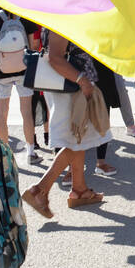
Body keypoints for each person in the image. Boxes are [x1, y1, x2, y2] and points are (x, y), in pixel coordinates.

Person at [21, 31, 113, 216]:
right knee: (75, 140)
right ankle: (39, 189)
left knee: (79, 138)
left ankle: (79, 190)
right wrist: (83, 81)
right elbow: (55, 58)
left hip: (71, 85)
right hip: (71, 87)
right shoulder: (60, 15)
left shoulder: (63, 12)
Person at [0, 0, 42, 163]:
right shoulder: (25, 16)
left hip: (1, 71)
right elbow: (33, 46)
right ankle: (31, 152)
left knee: (2, 114)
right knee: (26, 112)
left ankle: (6, 156)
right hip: (23, 70)